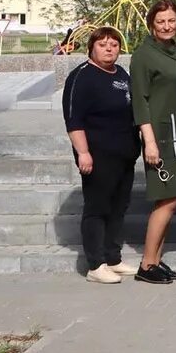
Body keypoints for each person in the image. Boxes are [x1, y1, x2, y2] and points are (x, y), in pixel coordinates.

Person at [62, 27, 139, 284]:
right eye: (103, 44)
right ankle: (96, 264)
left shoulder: (121, 73)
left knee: (119, 207)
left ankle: (112, 257)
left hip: (124, 154)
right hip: (97, 154)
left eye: (114, 45)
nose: (109, 49)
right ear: (91, 48)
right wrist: (83, 152)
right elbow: (74, 120)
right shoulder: (81, 77)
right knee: (98, 208)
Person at [129, 0, 176, 285]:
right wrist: (149, 141)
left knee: (172, 199)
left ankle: (155, 259)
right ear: (152, 24)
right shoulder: (143, 55)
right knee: (166, 199)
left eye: (171, 21)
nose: (167, 26)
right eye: (161, 21)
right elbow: (140, 102)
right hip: (160, 135)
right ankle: (146, 263)